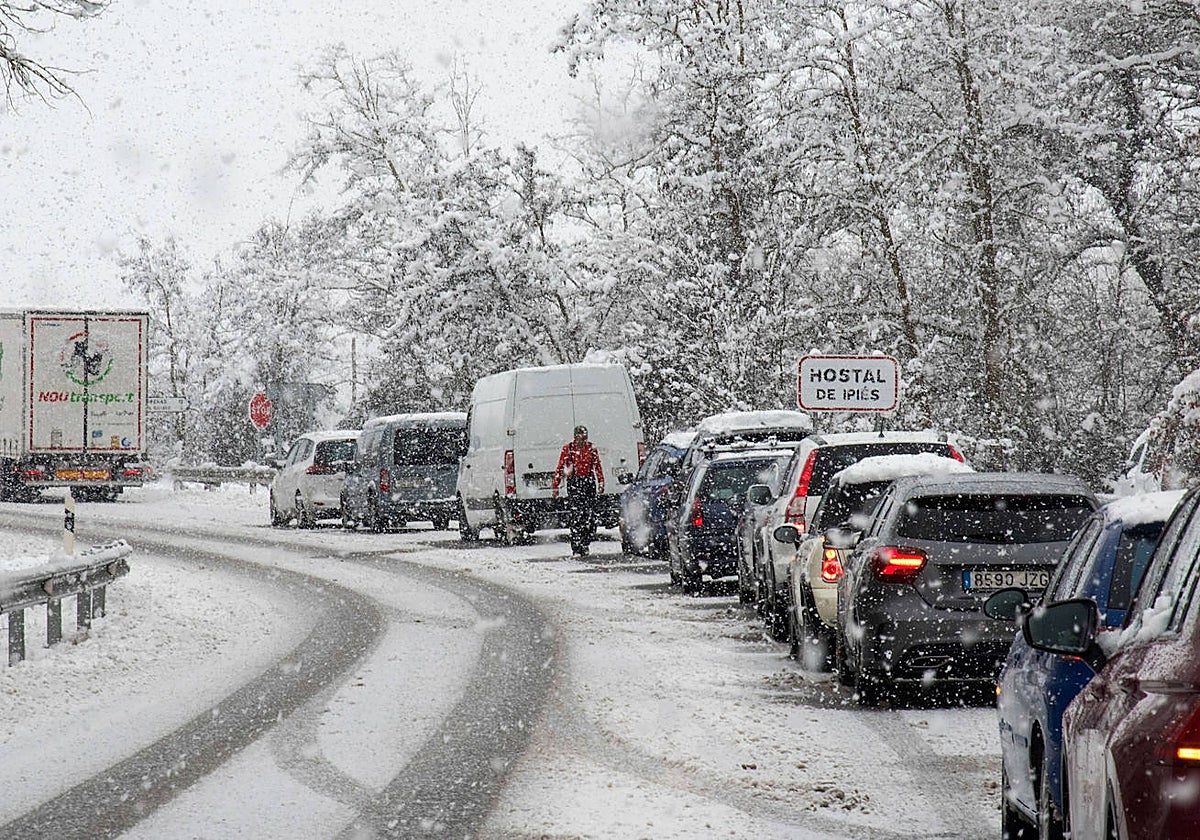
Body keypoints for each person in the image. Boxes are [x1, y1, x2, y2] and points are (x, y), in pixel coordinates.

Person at [552, 424, 605, 556]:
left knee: (590, 516)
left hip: (588, 482)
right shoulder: (568, 449)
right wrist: (555, 486)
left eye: (585, 438)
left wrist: (601, 482)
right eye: (581, 438)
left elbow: (597, 466)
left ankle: (586, 542)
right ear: (575, 437)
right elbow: (560, 468)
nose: (583, 441)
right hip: (575, 484)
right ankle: (576, 545)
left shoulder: (592, 448)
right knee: (577, 516)